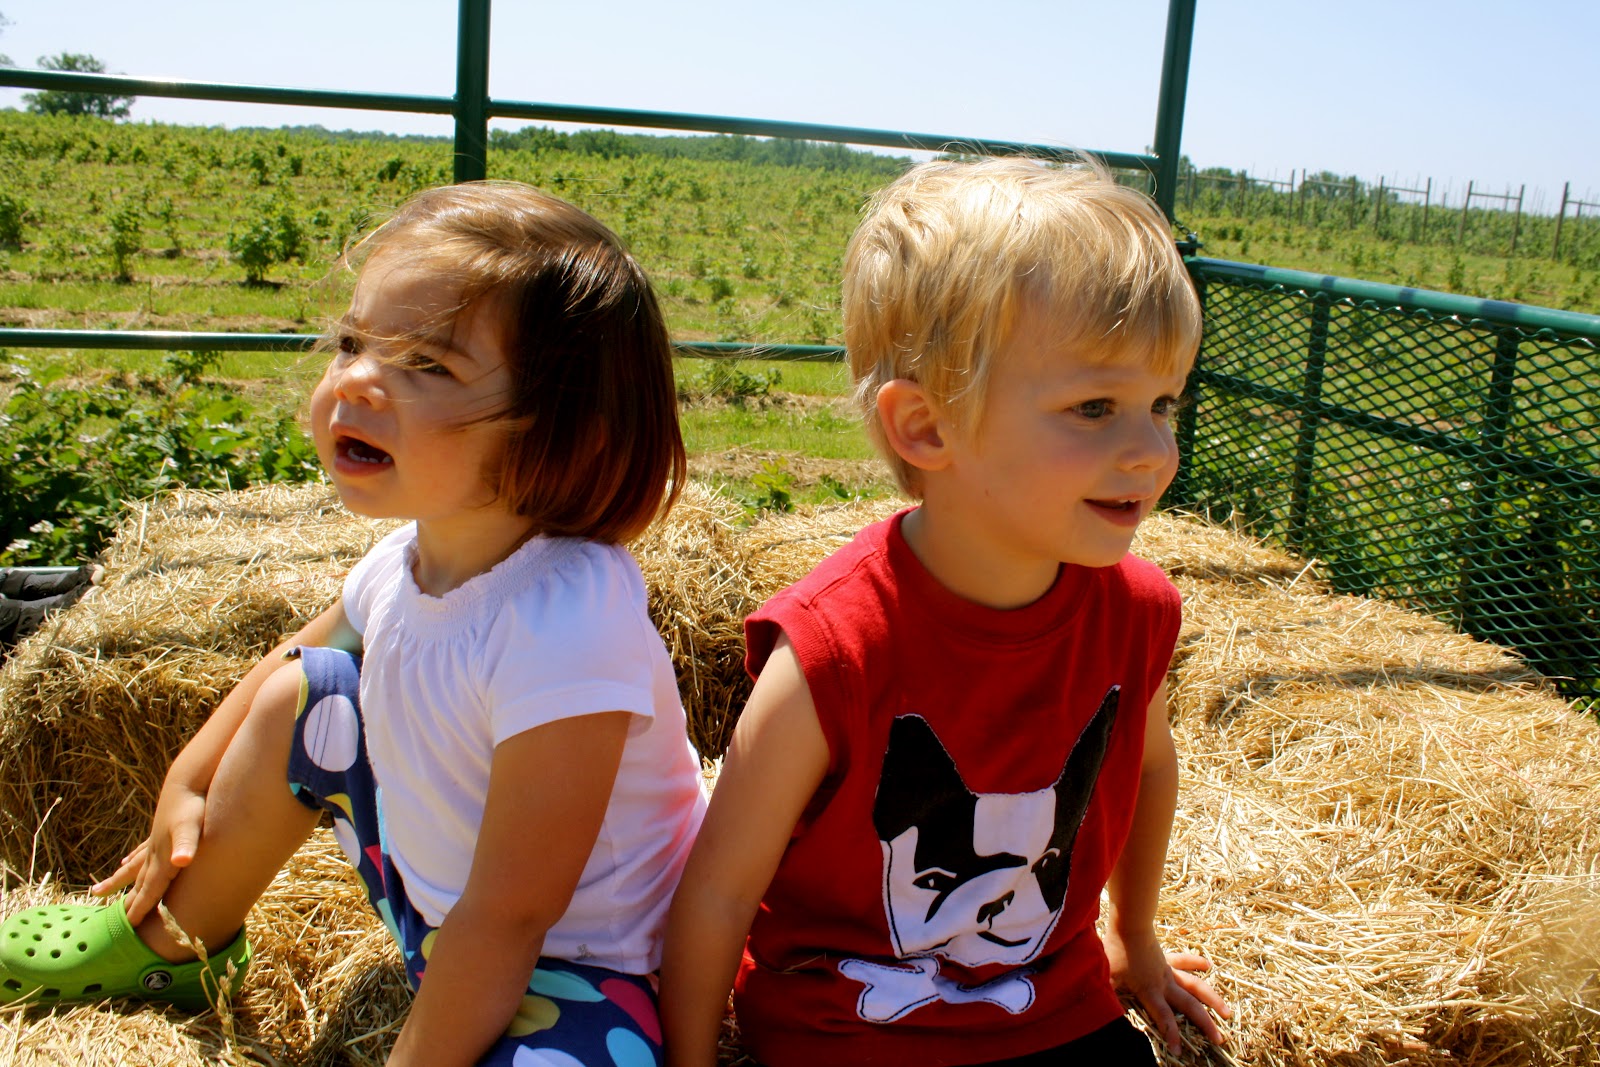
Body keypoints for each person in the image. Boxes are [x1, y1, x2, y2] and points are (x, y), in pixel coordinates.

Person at [0, 182, 708, 1067]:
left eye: (428, 365)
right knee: (308, 693)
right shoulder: (403, 559)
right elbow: (292, 659)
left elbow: (513, 913)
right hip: (435, 910)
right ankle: (173, 941)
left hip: (579, 963)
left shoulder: (567, 619)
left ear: (560, 434)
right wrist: (186, 777)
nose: (357, 379)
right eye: (352, 342)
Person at [661, 157, 1231, 1067]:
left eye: (1162, 403)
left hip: (1052, 1012)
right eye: (1096, 406)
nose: (1153, 450)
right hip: (847, 1033)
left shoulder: (1137, 614)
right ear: (926, 427)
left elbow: (1150, 763)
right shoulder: (832, 651)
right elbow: (719, 892)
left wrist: (1135, 935)